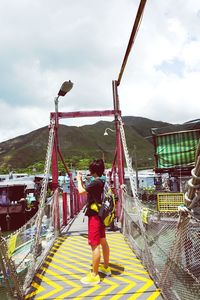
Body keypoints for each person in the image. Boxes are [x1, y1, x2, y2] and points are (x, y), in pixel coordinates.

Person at [77, 159, 111, 285]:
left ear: (93, 171)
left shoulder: (95, 182)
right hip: (101, 214)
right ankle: (106, 267)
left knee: (94, 244)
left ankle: (94, 275)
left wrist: (79, 180)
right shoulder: (102, 180)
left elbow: (81, 191)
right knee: (103, 241)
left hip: (95, 217)